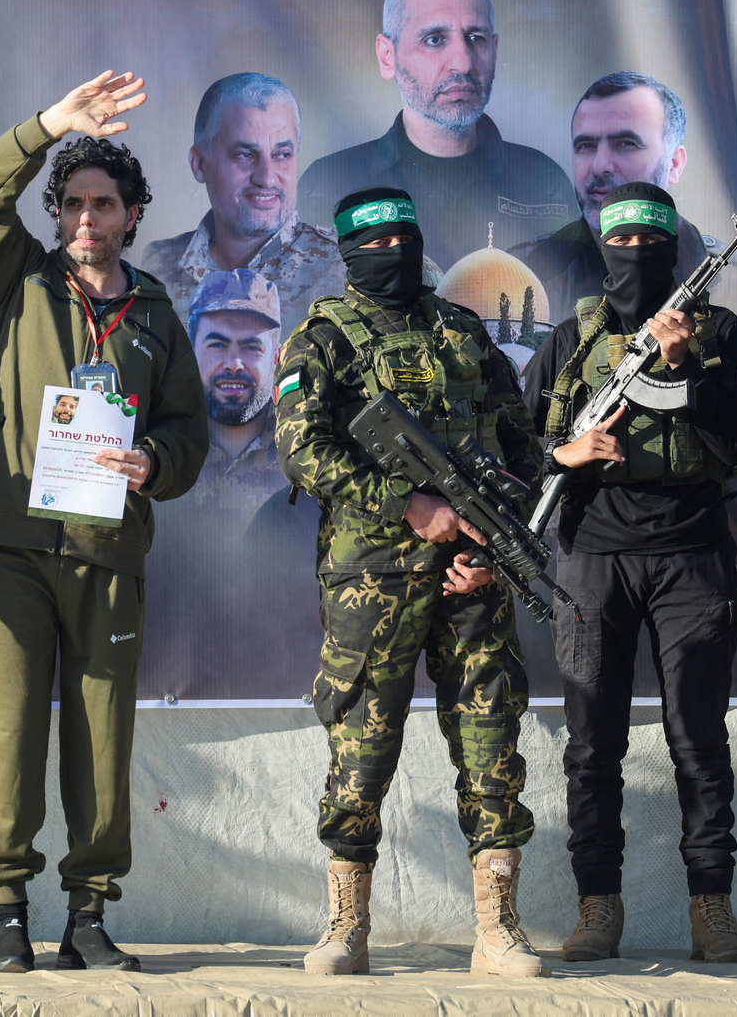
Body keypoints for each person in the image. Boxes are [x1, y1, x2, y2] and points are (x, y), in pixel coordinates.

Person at [0, 71, 209, 974]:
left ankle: (90, 912)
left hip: (109, 548)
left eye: (104, 204)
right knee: (15, 727)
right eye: (71, 203)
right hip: (15, 546)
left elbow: (188, 430)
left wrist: (156, 463)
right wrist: (49, 126)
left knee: (103, 733)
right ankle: (7, 910)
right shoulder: (22, 280)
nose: (85, 219)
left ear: (134, 214)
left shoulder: (156, 316)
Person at [277, 185, 548, 978]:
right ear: (349, 252)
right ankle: (346, 924)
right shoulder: (322, 338)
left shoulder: (463, 330)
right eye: (374, 242)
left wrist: (494, 543)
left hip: (471, 577)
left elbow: (520, 445)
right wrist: (410, 503)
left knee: (491, 741)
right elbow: (304, 449)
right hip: (374, 576)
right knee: (361, 746)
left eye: (404, 238)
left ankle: (498, 927)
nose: (391, 252)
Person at [520, 181, 737, 964]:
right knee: (592, 744)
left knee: (698, 737)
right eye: (621, 243)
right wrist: (565, 454)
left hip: (692, 553)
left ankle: (712, 909)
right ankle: (598, 907)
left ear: (674, 249)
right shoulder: (571, 341)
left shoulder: (716, 331)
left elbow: (736, 439)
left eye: (650, 244)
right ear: (602, 247)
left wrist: (683, 362)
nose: (635, 257)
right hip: (592, 558)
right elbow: (516, 443)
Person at [297, 0, 573, 271]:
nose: (463, 63)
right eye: (434, 39)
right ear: (388, 57)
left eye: (476, 38)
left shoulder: (545, 182)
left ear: (494, 49)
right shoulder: (328, 184)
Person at [139, 73, 345, 337]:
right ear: (199, 164)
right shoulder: (158, 266)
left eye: (282, 155)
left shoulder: (344, 267)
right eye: (245, 155)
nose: (267, 177)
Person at [515, 72, 712, 311]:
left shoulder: (735, 281)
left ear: (674, 164)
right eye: (586, 146)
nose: (600, 165)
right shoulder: (523, 274)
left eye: (625, 144)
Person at [184, 269, 287, 529]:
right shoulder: (162, 444)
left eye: (252, 347)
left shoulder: (307, 445)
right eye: (217, 345)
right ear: (190, 351)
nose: (234, 364)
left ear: (276, 356)